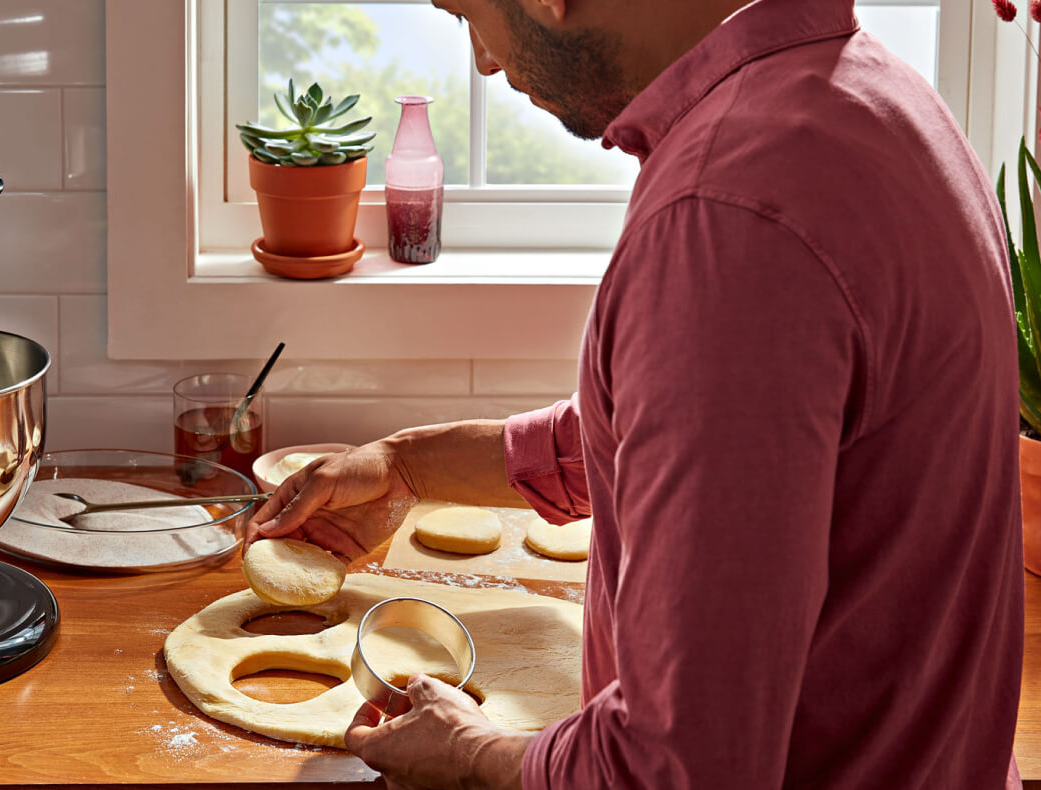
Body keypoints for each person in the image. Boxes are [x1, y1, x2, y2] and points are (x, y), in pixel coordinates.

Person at [246, 0, 1025, 787]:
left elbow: (679, 767)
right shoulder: (882, 104)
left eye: (465, 13)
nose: (482, 59)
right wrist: (406, 467)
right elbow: (700, 449)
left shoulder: (724, 214)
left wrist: (471, 754)